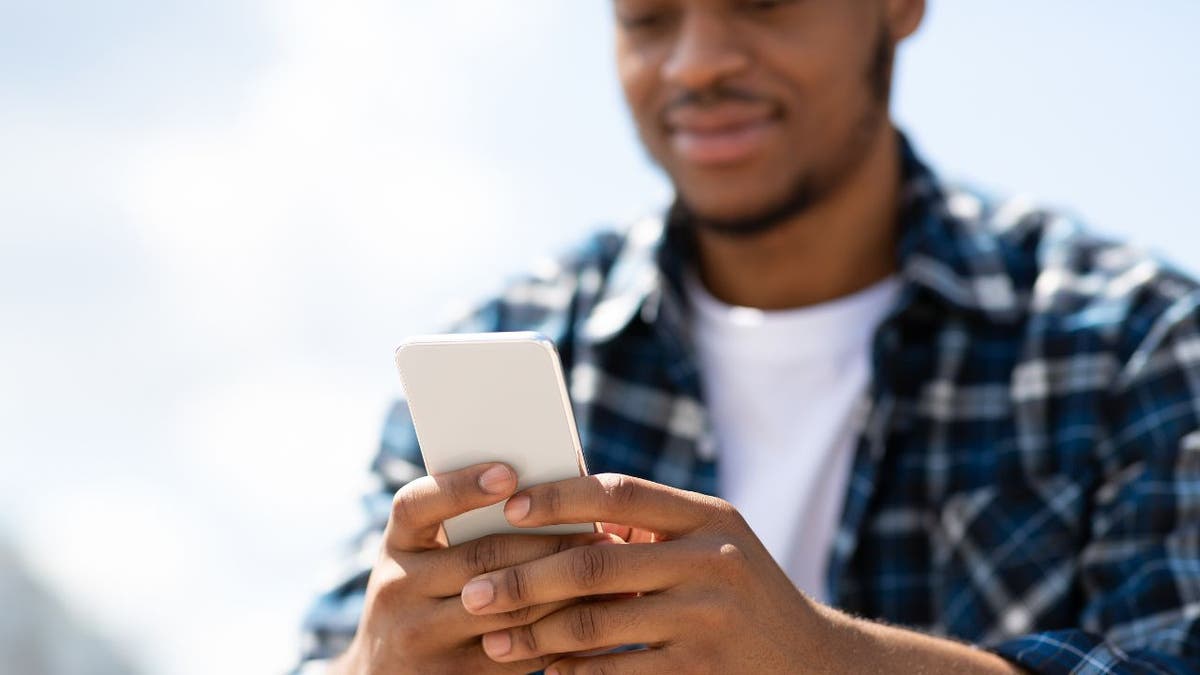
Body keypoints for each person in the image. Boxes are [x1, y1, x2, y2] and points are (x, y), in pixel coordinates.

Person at [297, 1, 1200, 673]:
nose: (695, 64)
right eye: (648, 18)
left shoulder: (1134, 340)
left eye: (760, 2)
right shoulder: (499, 344)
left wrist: (824, 660)